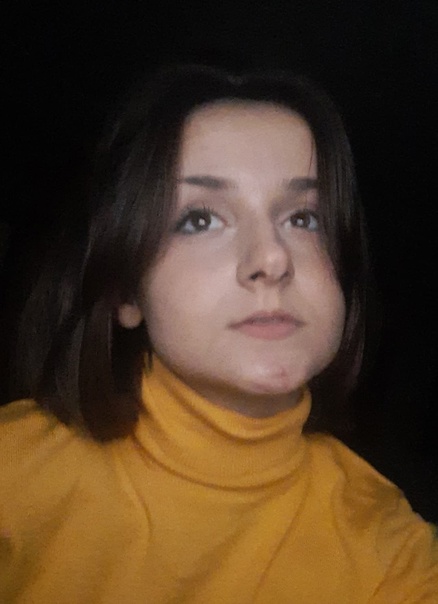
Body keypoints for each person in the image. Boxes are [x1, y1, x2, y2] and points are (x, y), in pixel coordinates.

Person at [0, 64, 436, 603]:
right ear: (125, 293)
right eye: (200, 219)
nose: (272, 259)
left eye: (304, 219)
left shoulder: (391, 549)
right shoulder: (14, 470)